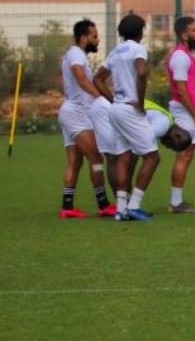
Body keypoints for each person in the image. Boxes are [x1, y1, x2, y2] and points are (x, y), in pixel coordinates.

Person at [92, 13, 162, 222]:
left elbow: (98, 79)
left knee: (123, 156)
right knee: (152, 157)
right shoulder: (138, 49)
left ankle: (121, 209)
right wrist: (140, 103)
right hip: (131, 109)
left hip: (115, 109)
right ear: (141, 32)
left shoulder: (116, 50)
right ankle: (134, 205)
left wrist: (113, 99)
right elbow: (141, 73)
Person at [56, 19, 115, 218]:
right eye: (95, 36)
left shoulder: (77, 54)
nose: (98, 40)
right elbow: (80, 78)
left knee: (75, 161)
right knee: (96, 158)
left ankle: (67, 207)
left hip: (71, 112)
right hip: (76, 115)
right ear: (83, 38)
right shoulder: (75, 54)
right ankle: (103, 205)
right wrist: (101, 100)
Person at [165, 16, 195, 213]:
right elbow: (181, 90)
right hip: (183, 111)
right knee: (184, 153)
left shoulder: (188, 55)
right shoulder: (180, 57)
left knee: (187, 154)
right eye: (194, 30)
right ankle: (175, 203)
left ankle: (176, 201)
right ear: (183, 35)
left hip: (187, 110)